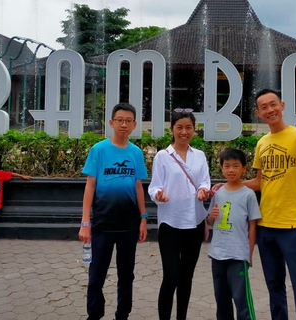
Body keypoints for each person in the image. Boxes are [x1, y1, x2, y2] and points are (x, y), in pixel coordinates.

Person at [246, 89, 296, 320]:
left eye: (273, 104)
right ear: (258, 113)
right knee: (274, 286)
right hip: (265, 225)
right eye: (264, 107)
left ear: (282, 105)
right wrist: (231, 185)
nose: (270, 110)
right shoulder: (262, 143)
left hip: (292, 226)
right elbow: (260, 182)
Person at [79, 103, 148, 320]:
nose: (124, 124)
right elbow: (90, 185)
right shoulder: (98, 150)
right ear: (111, 123)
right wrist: (85, 222)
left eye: (128, 120)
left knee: (126, 275)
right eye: (120, 120)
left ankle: (122, 314)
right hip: (102, 223)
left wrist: (144, 218)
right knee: (96, 274)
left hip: (129, 224)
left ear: (134, 125)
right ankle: (94, 314)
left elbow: (138, 186)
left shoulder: (136, 153)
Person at [148, 108, 211, 320]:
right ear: (172, 130)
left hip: (194, 222)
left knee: (187, 277)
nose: (184, 132)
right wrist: (159, 194)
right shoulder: (163, 157)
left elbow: (204, 181)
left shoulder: (200, 156)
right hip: (170, 224)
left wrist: (203, 190)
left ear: (194, 130)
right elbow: (154, 186)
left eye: (189, 128)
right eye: (179, 127)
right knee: (171, 276)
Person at [207, 148, 261, 320]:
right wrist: (211, 217)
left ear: (244, 168)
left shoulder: (248, 195)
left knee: (242, 300)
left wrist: (249, 254)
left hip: (238, 256)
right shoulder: (218, 193)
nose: (231, 170)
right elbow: (209, 221)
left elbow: (253, 226)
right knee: (221, 299)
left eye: (236, 166)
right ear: (222, 168)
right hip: (217, 254)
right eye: (227, 166)